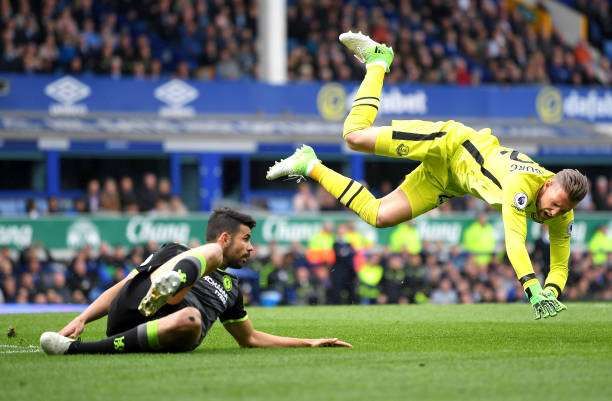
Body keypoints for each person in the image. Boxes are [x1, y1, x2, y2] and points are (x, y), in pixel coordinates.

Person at [267, 31, 589, 320]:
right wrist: (532, 287)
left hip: (450, 181)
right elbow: (514, 241)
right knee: (354, 136)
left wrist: (552, 291)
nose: (554, 212)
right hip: (448, 145)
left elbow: (560, 263)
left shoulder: (562, 210)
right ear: (547, 184)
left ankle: (309, 164)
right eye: (555, 203)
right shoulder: (521, 186)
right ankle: (379, 61)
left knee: (379, 216)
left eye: (561, 209)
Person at [40, 208, 351, 355]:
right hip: (135, 308)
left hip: (173, 327)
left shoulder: (232, 289)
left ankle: (81, 350)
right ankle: (171, 285)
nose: (252, 247)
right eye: (246, 239)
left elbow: (250, 339)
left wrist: (308, 342)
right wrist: (82, 318)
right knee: (192, 267)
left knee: (191, 318)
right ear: (226, 237)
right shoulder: (175, 250)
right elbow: (123, 286)